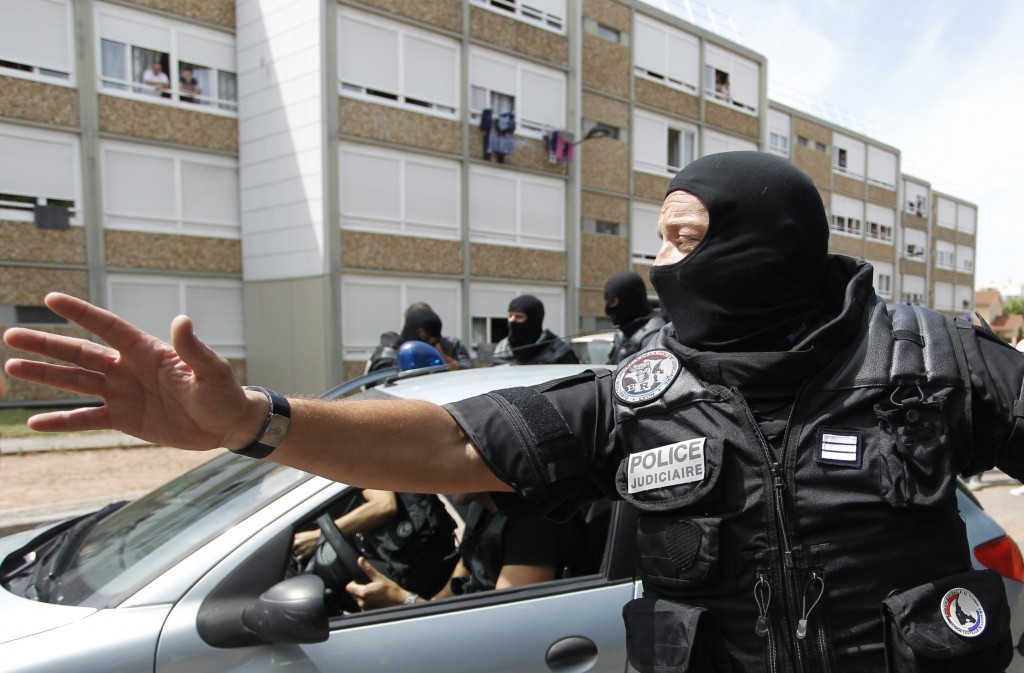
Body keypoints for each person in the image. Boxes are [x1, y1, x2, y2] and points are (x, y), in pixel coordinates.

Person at [6, 152, 1024, 672]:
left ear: (766, 242)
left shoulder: (936, 360)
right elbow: (453, 439)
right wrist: (256, 424)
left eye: (682, 233)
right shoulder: (636, 393)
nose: (658, 260)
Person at [344, 492, 587, 610]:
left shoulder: (534, 524)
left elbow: (505, 617)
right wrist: (404, 601)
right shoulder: (483, 510)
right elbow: (447, 596)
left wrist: (401, 599)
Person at [293, 489, 458, 601]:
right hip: (415, 565)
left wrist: (320, 536)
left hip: (419, 565)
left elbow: (385, 505)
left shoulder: (356, 456)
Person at [366, 304, 472, 373]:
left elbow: (468, 372)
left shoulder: (450, 344)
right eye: (424, 336)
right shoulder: (392, 348)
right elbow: (382, 379)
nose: (430, 342)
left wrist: (443, 357)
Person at [492, 294, 578, 365]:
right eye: (510, 316)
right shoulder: (502, 348)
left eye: (519, 317)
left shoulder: (559, 353)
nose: (512, 321)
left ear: (534, 320)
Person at [602, 270, 666, 365]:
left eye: (613, 302)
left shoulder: (654, 337)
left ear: (630, 300)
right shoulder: (624, 333)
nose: (608, 311)